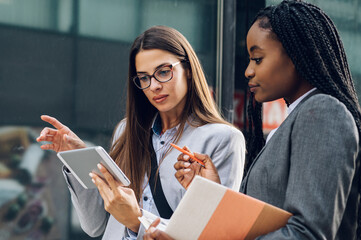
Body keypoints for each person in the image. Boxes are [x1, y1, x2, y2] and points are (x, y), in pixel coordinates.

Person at [144, 1, 361, 239]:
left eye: (257, 59)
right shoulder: (296, 121)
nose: (248, 70)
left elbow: (305, 233)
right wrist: (213, 192)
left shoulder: (323, 113)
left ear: (297, 55)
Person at [36, 25, 245, 239]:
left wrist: (137, 222)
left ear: (188, 70)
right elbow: (95, 225)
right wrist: (80, 160)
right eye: (144, 78)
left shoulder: (222, 139)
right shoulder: (126, 131)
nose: (153, 85)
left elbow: (213, 234)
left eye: (163, 72)